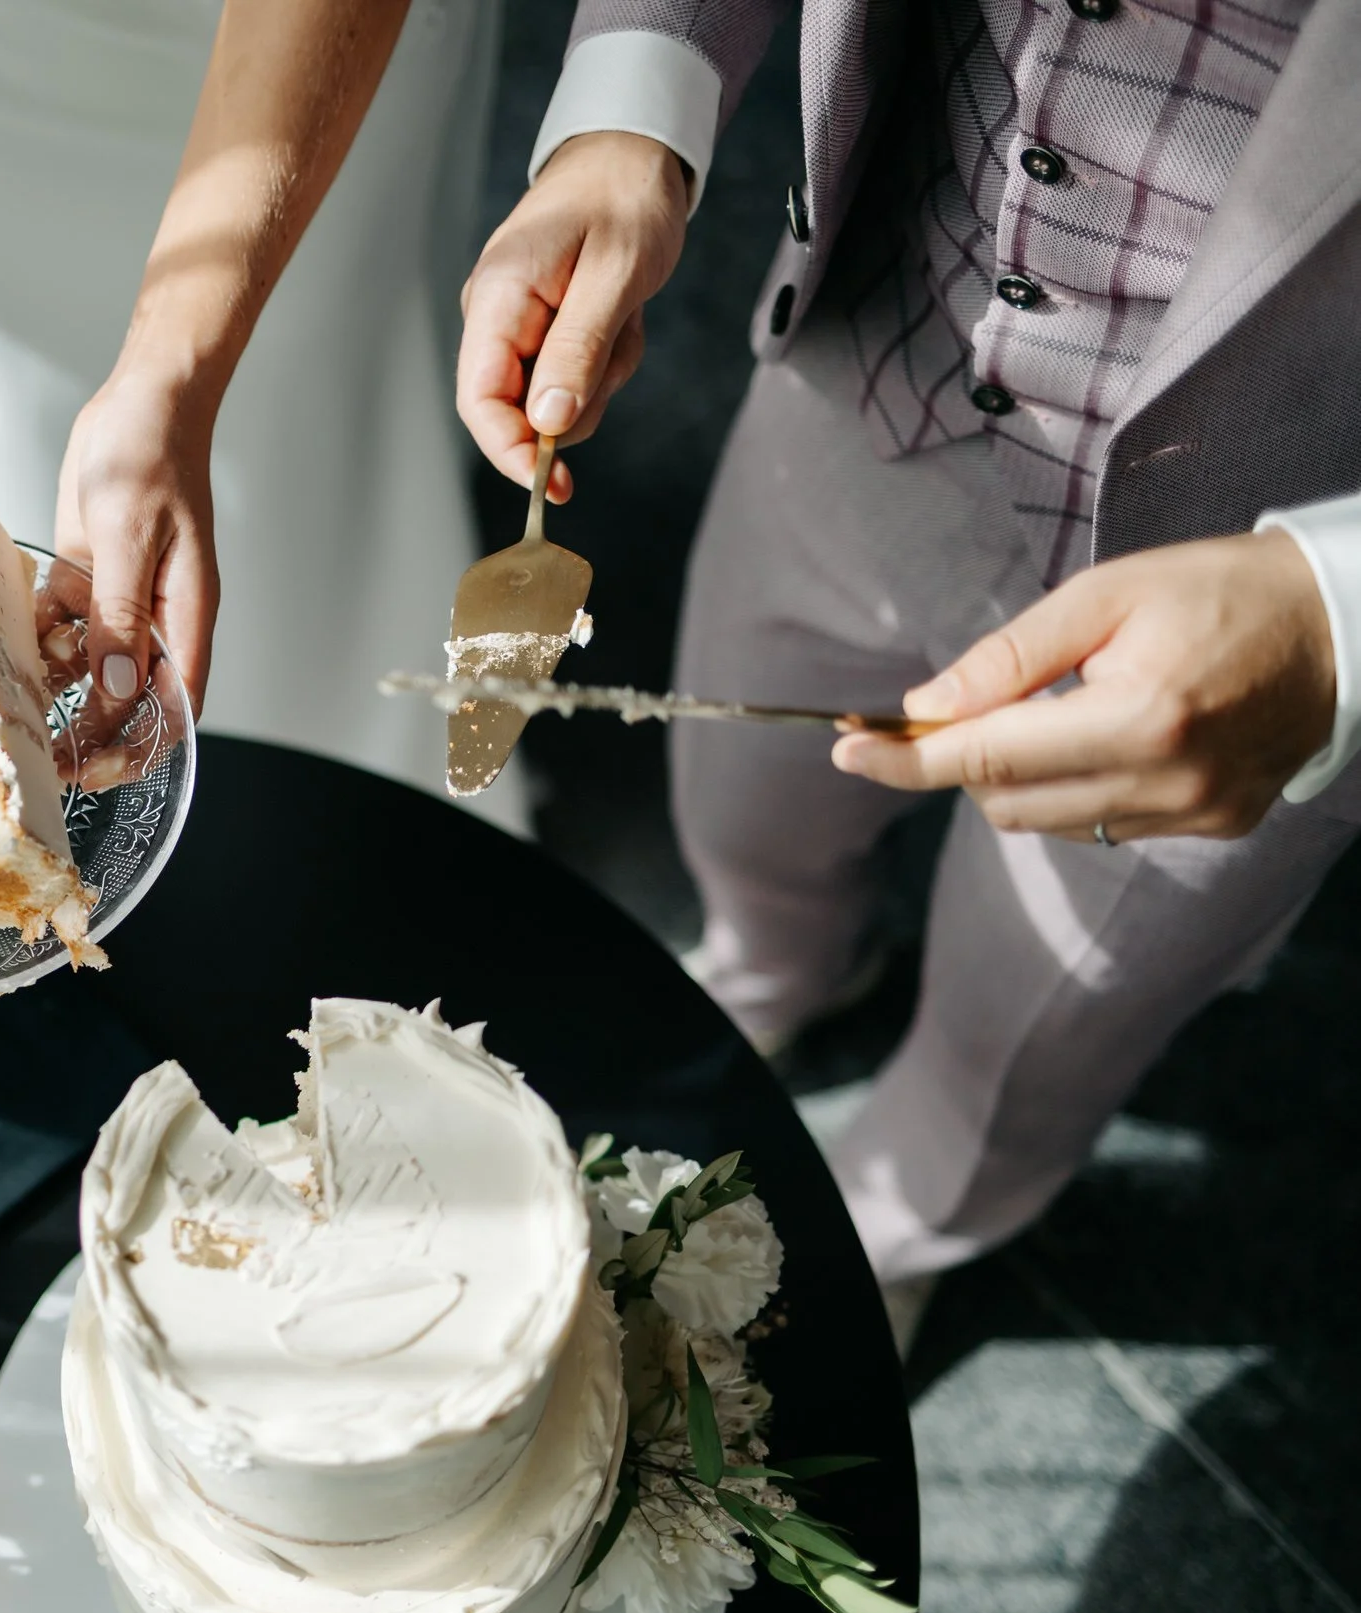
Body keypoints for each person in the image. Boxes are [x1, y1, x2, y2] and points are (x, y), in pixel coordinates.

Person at [453, 1, 1361, 1331]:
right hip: (881, 337)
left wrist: (1338, 606)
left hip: (1250, 596)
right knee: (741, 797)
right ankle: (776, 966)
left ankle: (907, 1213)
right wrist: (633, 101)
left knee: (1027, 1034)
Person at [0, 0, 517, 822]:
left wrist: (170, 372)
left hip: (297, 59)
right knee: (4, 419)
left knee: (304, 428)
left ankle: (345, 798)